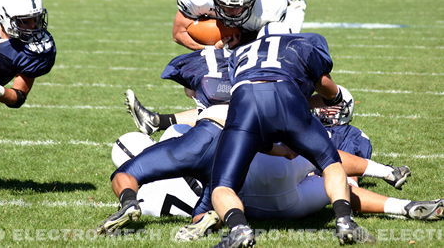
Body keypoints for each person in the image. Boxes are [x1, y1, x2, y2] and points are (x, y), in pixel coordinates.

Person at [108, 129, 442, 243]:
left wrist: (128, 201)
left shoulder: (147, 193)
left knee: (318, 189)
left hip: (262, 208)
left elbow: (124, 179)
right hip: (260, 170)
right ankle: (394, 187)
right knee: (322, 161)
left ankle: (232, 226)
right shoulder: (180, 138)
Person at [209, 32, 373, 246]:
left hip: (246, 102)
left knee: (223, 185)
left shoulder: (240, 51)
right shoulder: (303, 45)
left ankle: (239, 229)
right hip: (285, 95)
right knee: (331, 164)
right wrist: (335, 97)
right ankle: (344, 220)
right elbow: (328, 89)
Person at [0, 0, 56, 142]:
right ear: (4, 16)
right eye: (24, 21)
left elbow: (18, 97)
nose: (32, 26)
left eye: (36, 19)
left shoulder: (35, 50)